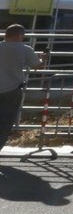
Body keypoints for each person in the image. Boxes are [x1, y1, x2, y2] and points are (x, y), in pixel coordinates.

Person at [0, 24, 47, 154]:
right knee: (5, 122)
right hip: (12, 89)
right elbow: (37, 66)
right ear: (20, 35)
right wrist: (43, 58)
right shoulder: (25, 49)